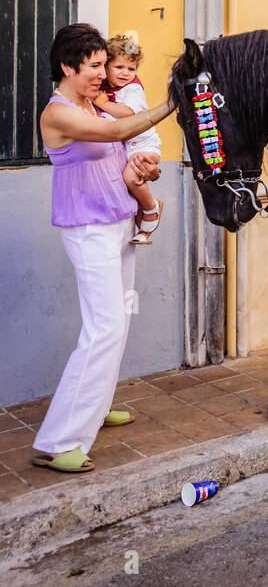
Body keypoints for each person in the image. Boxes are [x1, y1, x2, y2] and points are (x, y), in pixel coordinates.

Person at [31, 24, 173, 473]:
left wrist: (142, 166)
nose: (102, 74)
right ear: (67, 67)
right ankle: (60, 440)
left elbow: (119, 150)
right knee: (103, 328)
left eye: (101, 64)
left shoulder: (91, 101)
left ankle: (96, 404)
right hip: (88, 229)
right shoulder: (58, 113)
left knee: (118, 319)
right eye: (93, 66)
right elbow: (115, 134)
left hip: (117, 221)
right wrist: (174, 103)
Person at [99, 31, 164, 244]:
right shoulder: (106, 88)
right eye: (119, 67)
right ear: (106, 66)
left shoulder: (133, 88)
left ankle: (151, 207)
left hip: (144, 144)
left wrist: (102, 103)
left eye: (131, 69)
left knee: (131, 177)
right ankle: (145, 219)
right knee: (129, 183)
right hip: (130, 147)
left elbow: (129, 113)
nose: (126, 73)